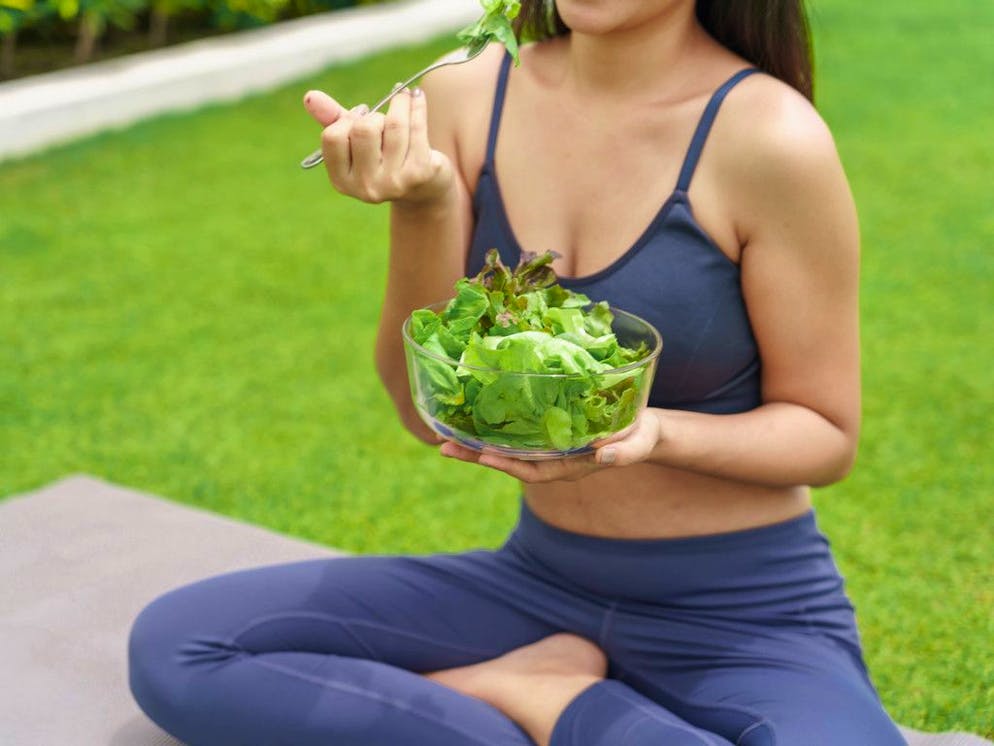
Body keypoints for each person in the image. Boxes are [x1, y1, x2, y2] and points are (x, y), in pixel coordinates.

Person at [127, 1, 909, 744]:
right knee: (180, 648)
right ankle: (548, 692)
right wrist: (426, 203)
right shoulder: (468, 94)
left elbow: (825, 434)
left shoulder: (769, 137)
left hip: (743, 614)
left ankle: (548, 698)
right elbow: (418, 404)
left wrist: (653, 430)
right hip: (537, 586)